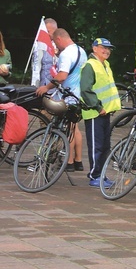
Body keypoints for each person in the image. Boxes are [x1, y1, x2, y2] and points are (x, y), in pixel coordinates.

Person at [36, 28, 85, 172]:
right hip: (78, 96)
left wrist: (47, 87)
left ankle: (67, 162)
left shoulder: (66, 54)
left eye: (56, 44)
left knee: (64, 130)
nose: (56, 47)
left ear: (59, 39)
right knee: (73, 128)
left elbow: (62, 76)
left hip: (65, 97)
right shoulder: (81, 51)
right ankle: (77, 161)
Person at [80, 38, 120, 188]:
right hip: (94, 113)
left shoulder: (105, 65)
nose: (107, 51)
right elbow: (85, 89)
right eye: (103, 48)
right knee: (96, 146)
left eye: (109, 48)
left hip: (104, 112)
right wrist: (97, 107)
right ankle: (94, 175)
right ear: (94, 48)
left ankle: (101, 175)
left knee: (104, 146)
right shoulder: (90, 66)